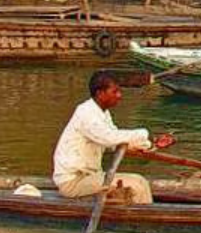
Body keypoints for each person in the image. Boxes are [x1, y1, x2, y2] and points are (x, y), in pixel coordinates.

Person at [53, 71, 173, 206]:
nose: (119, 96)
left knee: (141, 180)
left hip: (90, 177)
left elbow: (116, 142)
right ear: (100, 93)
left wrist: (150, 144)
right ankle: (143, 222)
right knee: (136, 187)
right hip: (73, 181)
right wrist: (144, 134)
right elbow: (109, 138)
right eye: (114, 92)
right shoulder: (86, 113)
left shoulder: (103, 113)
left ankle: (146, 219)